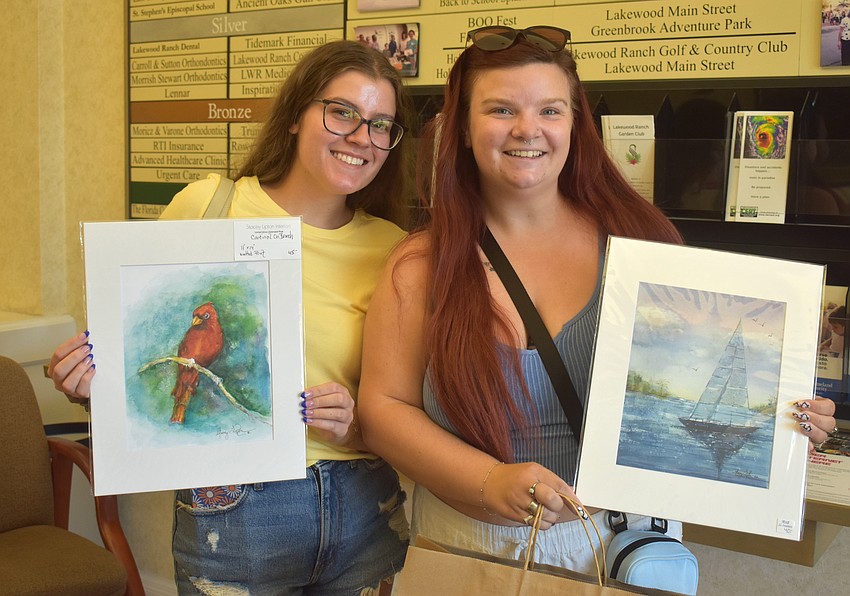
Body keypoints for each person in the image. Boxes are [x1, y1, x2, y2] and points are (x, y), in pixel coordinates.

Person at [358, 25, 838, 574]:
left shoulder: (643, 249)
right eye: (500, 110)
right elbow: (383, 409)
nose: (527, 129)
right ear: (462, 129)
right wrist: (489, 482)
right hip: (472, 551)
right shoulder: (421, 264)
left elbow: (703, 380)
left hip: (623, 548)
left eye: (550, 110)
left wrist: (786, 419)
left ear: (575, 124)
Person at [48, 40, 414, 595]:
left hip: (359, 504)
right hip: (234, 507)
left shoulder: (396, 250)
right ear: (295, 115)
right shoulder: (209, 206)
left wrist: (357, 422)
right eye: (342, 112)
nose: (363, 138)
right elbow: (129, 361)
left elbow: (411, 408)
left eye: (382, 124)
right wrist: (87, 382)